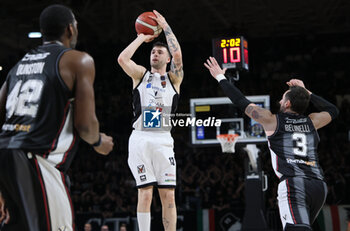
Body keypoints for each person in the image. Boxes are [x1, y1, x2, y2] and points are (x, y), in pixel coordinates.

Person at [0, 4, 114, 231]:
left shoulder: (18, 66)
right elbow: (84, 125)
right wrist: (99, 141)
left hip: (5, 159)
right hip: (37, 160)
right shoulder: (78, 60)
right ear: (70, 30)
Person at [204, 57, 339, 231]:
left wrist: (220, 78)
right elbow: (333, 110)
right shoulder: (312, 121)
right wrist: (307, 92)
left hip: (294, 184)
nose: (280, 102)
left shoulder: (272, 121)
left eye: (283, 99)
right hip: (318, 185)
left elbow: (240, 101)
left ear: (288, 103)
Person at [118, 10, 183, 231]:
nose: (155, 54)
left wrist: (165, 27)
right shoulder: (141, 75)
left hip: (164, 140)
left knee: (169, 197)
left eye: (159, 52)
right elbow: (122, 59)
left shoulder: (174, 78)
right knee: (145, 194)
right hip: (141, 138)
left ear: (167, 58)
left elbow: (178, 56)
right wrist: (141, 37)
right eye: (153, 51)